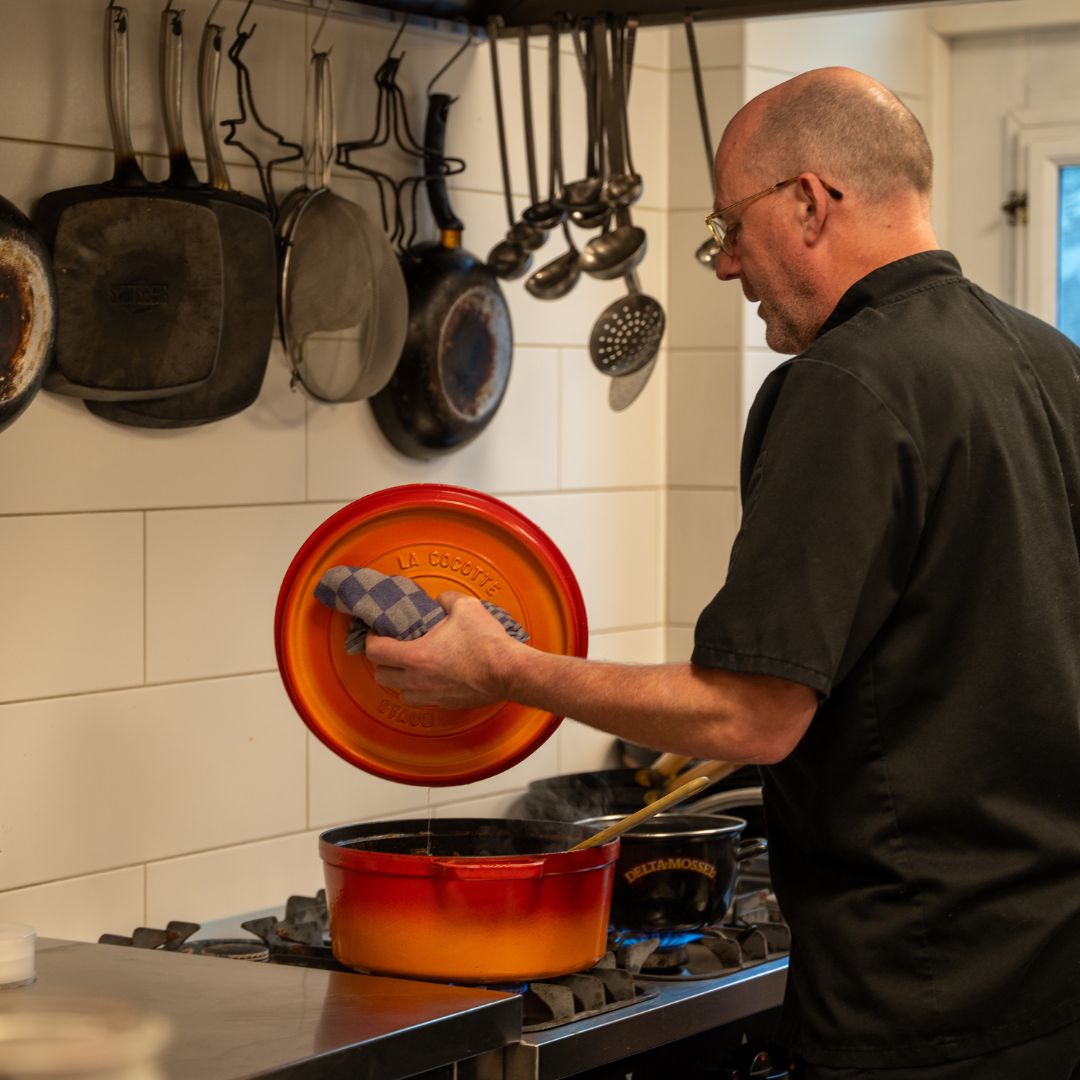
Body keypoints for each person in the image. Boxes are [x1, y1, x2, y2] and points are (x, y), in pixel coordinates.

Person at [365, 66, 1080, 1079]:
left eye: (730, 227)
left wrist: (504, 669)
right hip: (1053, 979)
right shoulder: (1052, 362)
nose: (727, 264)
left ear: (809, 201)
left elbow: (751, 717)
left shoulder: (844, 383)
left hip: (921, 1004)